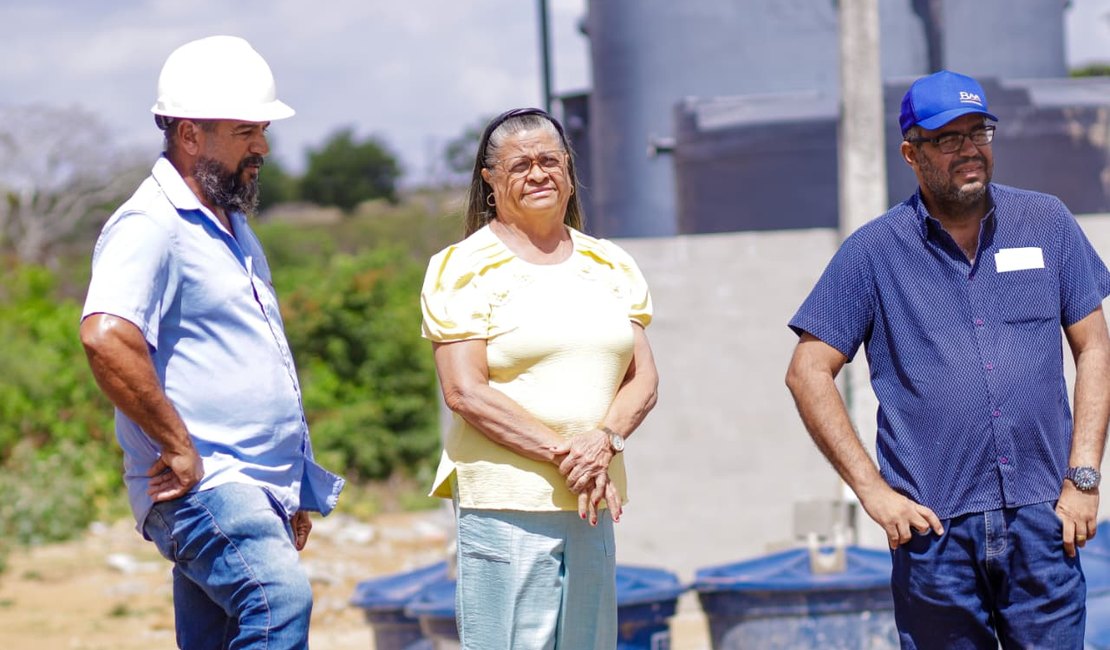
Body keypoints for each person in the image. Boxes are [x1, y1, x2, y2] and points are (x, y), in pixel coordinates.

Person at [785, 69, 1110, 648]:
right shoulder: (874, 252)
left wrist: (1083, 476)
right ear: (912, 154)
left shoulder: (1047, 223)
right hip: (934, 534)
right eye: (948, 138)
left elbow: (1094, 346)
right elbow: (807, 370)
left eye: (979, 132)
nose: (970, 150)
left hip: (1044, 522)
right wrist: (873, 492)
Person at [79, 35, 344, 650]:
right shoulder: (152, 224)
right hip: (205, 484)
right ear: (190, 134)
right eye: (246, 131)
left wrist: (290, 485)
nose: (264, 147)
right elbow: (106, 335)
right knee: (278, 600)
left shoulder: (230, 225)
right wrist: (177, 445)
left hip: (250, 484)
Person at [419, 107, 659, 648]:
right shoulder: (462, 267)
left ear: (569, 169)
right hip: (508, 503)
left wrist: (604, 442)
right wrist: (568, 456)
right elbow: (464, 391)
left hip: (591, 499)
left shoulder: (610, 264)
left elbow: (642, 379)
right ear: (489, 180)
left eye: (549, 160)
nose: (538, 174)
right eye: (520, 165)